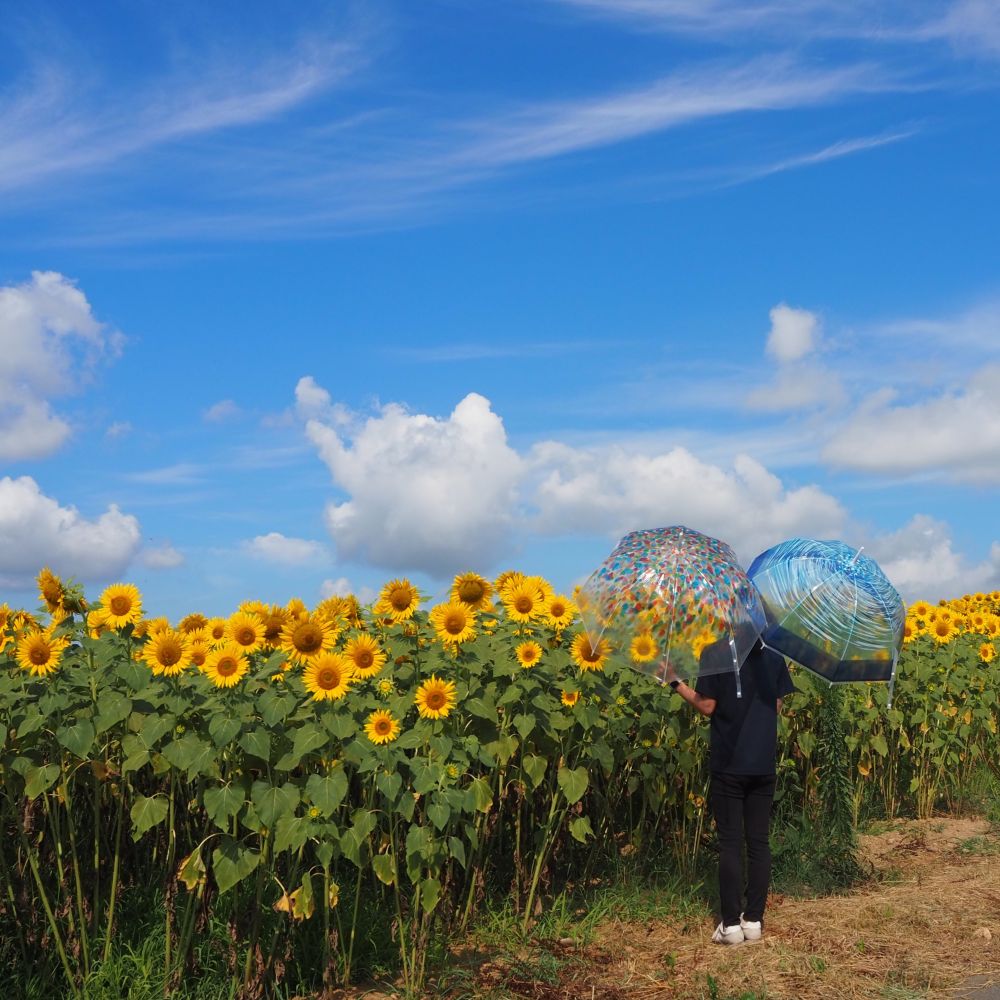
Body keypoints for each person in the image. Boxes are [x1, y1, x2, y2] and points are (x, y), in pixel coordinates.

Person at [667, 636, 794, 945]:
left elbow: (708, 705)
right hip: (762, 764)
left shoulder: (715, 652)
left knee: (730, 843)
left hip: (729, 764)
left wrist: (675, 682)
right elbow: (776, 705)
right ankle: (753, 921)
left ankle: (730, 925)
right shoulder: (775, 655)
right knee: (759, 842)